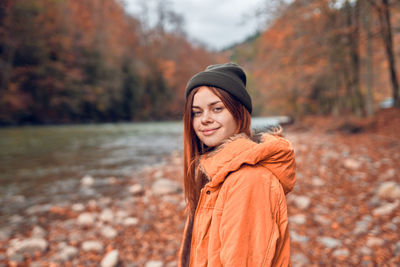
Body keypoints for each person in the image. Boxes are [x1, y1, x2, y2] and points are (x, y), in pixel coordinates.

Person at [178, 62, 296, 267]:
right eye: (197, 112)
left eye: (216, 109)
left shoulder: (250, 181)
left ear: (238, 113)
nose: (205, 119)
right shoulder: (211, 173)